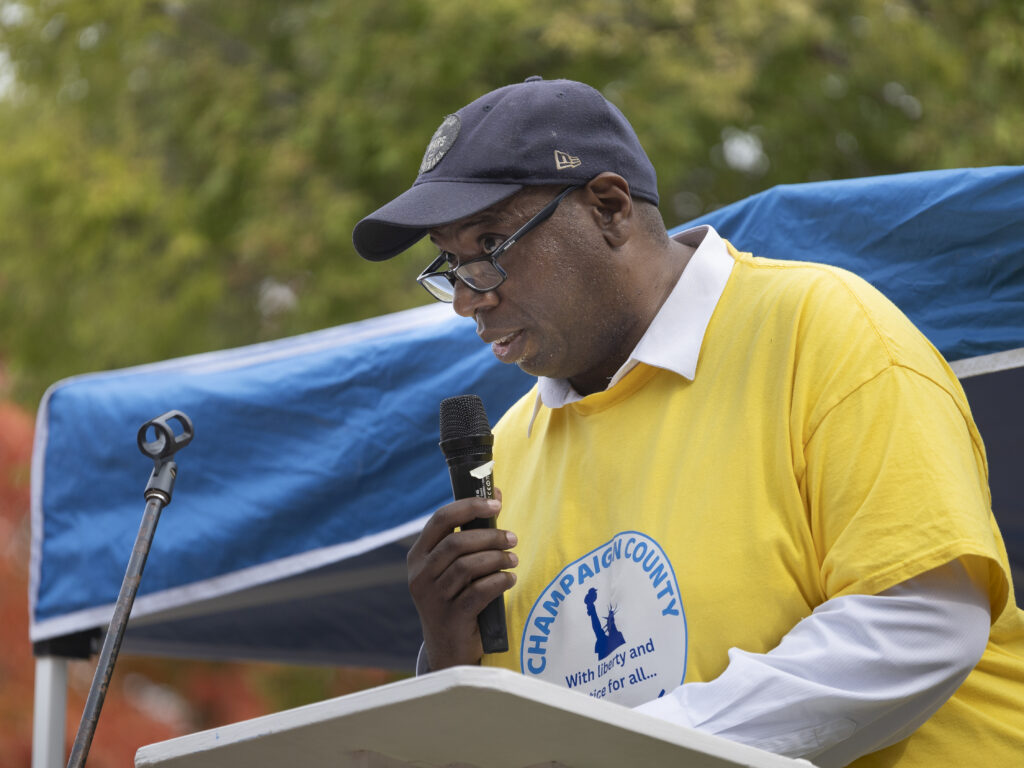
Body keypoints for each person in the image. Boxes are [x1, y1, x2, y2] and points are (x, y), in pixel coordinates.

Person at [352, 77, 1024, 767]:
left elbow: (920, 626)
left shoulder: (820, 328)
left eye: (490, 245)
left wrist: (636, 751)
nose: (468, 299)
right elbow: (531, 743)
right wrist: (449, 664)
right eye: (449, 262)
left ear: (609, 209)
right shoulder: (510, 453)